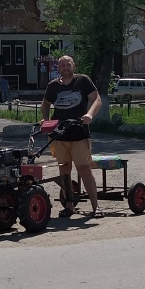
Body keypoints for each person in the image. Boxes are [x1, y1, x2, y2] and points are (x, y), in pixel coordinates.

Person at [41, 55, 102, 218]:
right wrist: (46, 120)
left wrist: (89, 115)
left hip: (79, 133)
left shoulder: (83, 81)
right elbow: (45, 103)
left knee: (84, 169)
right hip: (59, 134)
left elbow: (97, 99)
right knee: (64, 169)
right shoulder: (53, 85)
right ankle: (69, 206)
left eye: (68, 64)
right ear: (58, 68)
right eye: (62, 65)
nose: (65, 67)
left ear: (73, 66)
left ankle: (96, 207)